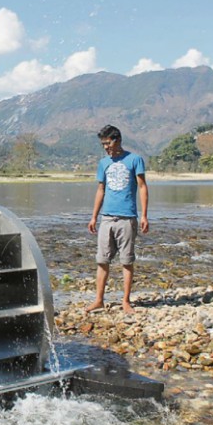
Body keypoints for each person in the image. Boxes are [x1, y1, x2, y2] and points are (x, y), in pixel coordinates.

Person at [86, 125, 149, 314]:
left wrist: (144, 214)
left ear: (117, 140)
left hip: (127, 218)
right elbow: (100, 190)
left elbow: (143, 187)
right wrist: (94, 216)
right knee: (102, 260)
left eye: (108, 143)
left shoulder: (135, 160)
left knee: (126, 261)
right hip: (107, 218)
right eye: (103, 144)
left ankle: (126, 301)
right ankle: (99, 300)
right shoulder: (103, 163)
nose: (106, 147)